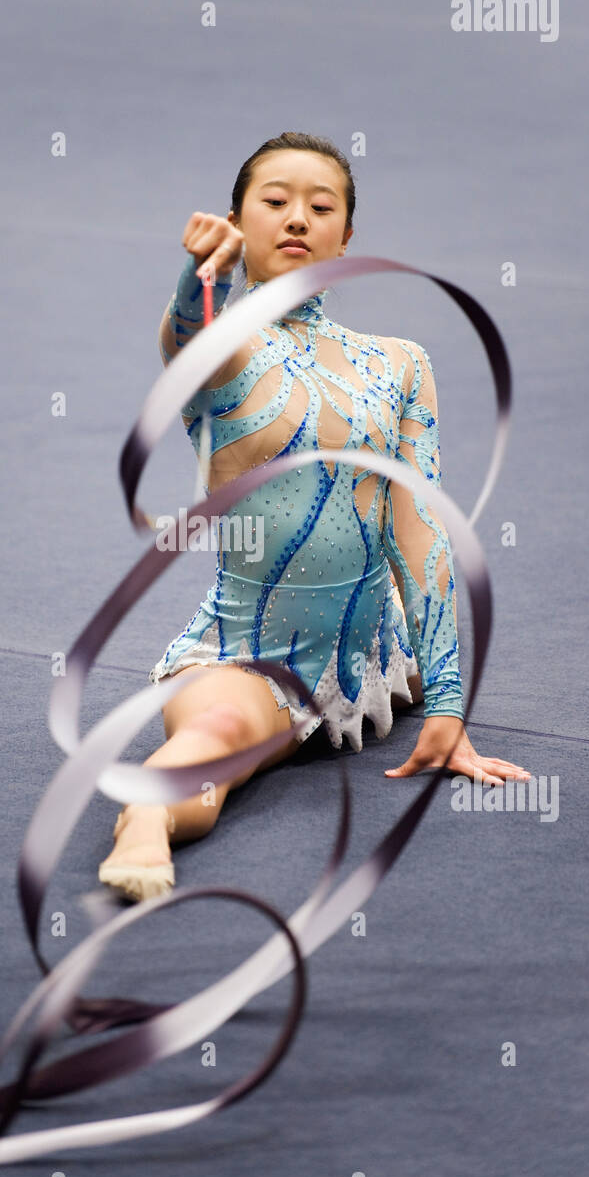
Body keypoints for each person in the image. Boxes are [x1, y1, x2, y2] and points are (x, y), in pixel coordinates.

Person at [99, 131, 530, 902]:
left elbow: (417, 529)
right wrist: (199, 276)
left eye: (319, 205)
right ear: (236, 219)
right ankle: (143, 824)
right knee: (213, 744)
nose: (296, 217)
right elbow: (187, 339)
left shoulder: (399, 362)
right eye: (273, 202)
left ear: (346, 236)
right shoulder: (228, 348)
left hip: (374, 651)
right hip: (250, 655)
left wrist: (445, 699)